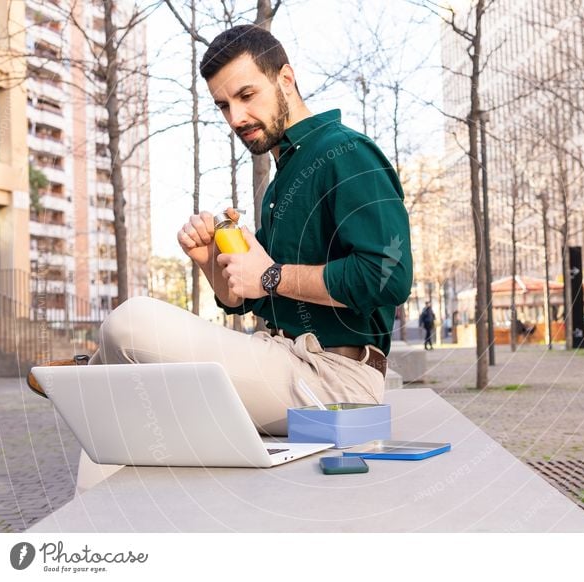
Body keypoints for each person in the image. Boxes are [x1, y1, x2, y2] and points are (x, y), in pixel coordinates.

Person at [27, 25, 413, 436]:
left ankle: (96, 376)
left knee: (132, 321)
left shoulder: (346, 152)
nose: (237, 118)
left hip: (336, 379)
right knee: (122, 423)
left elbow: (386, 277)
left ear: (286, 78)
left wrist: (272, 274)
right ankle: (102, 386)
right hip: (283, 358)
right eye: (223, 106)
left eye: (246, 96)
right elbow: (252, 297)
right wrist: (213, 262)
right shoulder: (284, 177)